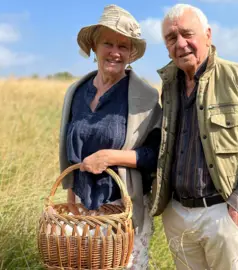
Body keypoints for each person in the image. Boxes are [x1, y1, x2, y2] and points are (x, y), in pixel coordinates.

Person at [149, 3, 238, 270]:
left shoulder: (237, 78)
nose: (181, 43)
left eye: (188, 34)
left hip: (222, 214)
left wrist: (237, 209)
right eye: (171, 38)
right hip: (177, 213)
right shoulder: (169, 83)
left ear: (208, 35)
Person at [58, 4, 162, 269]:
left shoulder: (145, 97)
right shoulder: (76, 92)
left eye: (123, 46)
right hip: (81, 206)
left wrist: (110, 157)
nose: (115, 52)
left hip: (123, 207)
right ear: (94, 46)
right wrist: (71, 201)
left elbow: (157, 155)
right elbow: (69, 151)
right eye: (108, 43)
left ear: (131, 54)